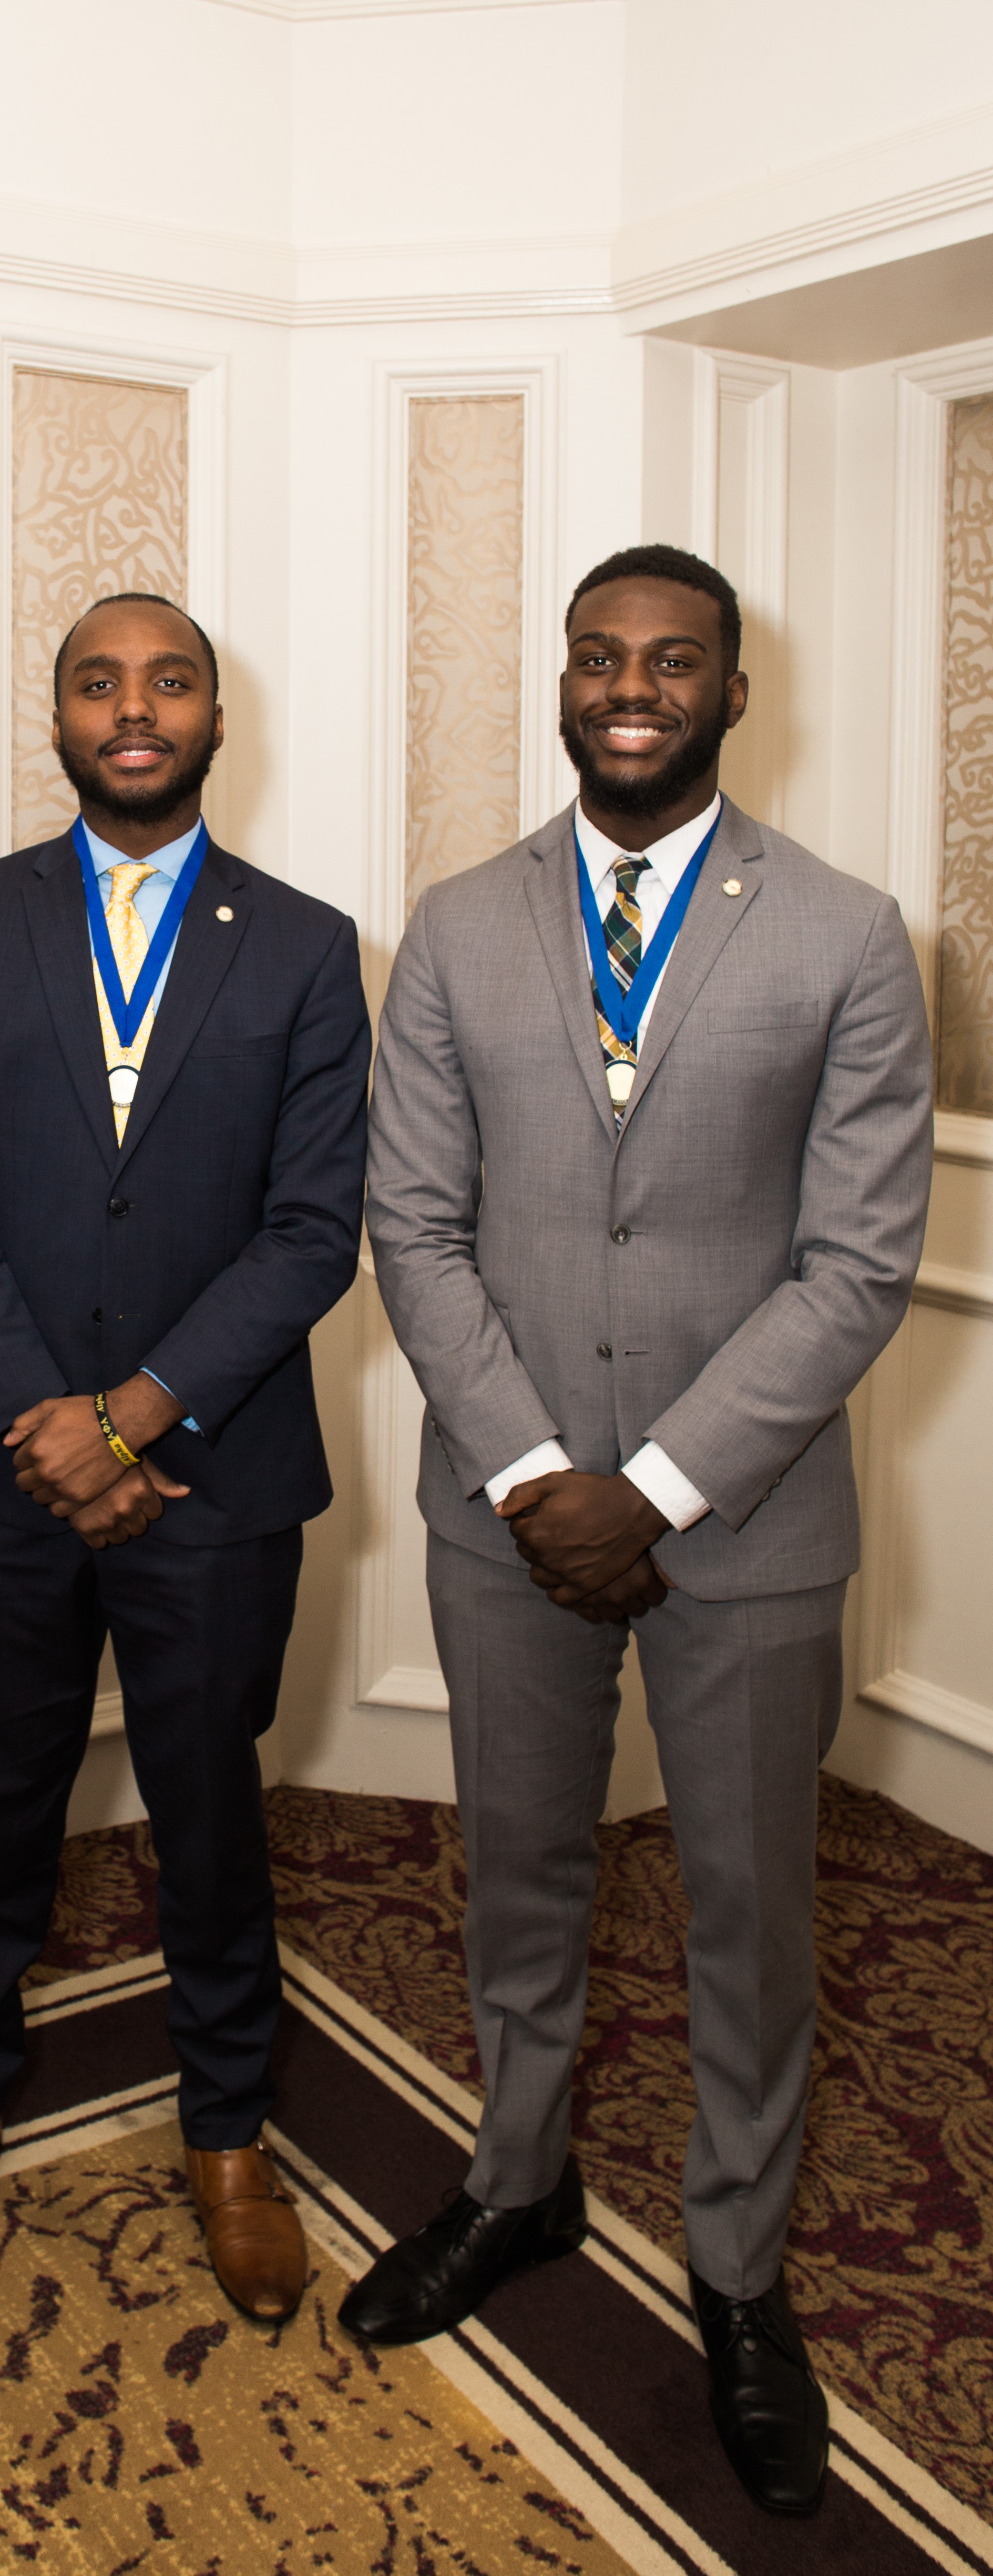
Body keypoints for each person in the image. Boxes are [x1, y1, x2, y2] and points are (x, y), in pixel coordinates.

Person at [347, 545, 933, 2517]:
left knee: (750, 1911)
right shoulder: (457, 923)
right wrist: (533, 1474)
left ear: (732, 694)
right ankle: (514, 2181)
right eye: (597, 656)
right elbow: (412, 1223)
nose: (628, 687)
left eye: (671, 660)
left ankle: (739, 2271)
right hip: (503, 1516)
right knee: (515, 1873)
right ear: (562, 681)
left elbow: (857, 1263)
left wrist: (657, 1487)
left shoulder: (845, 933)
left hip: (740, 1526)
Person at [0, 592, 369, 2322]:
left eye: (168, 683)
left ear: (217, 720)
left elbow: (311, 1231)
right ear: (59, 719)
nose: (133, 708)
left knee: (211, 1817)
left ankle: (226, 2131)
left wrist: (137, 1415)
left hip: (215, 1481)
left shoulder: (304, 944)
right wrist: (57, 1428)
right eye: (99, 683)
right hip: (1, 1469)